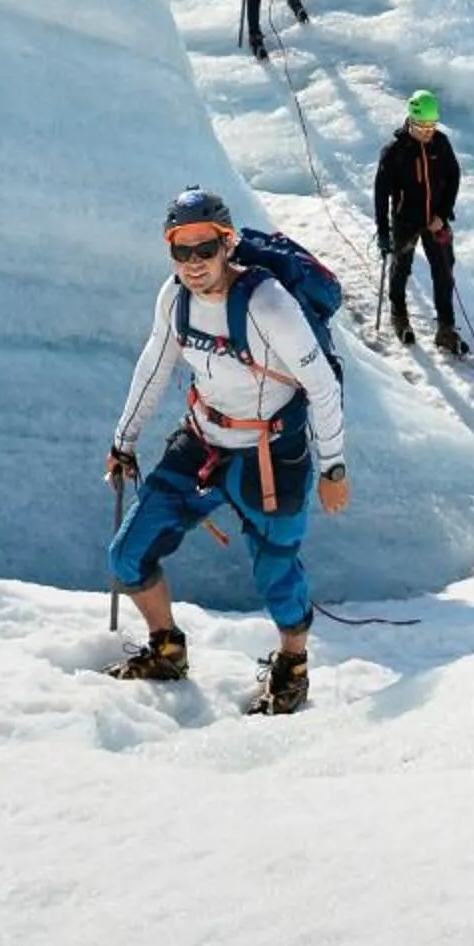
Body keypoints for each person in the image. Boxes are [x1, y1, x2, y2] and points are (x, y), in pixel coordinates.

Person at [106, 188, 350, 714]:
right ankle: (166, 650)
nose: (193, 262)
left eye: (205, 248)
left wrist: (333, 468)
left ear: (227, 243)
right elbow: (154, 366)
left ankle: (292, 669)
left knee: (277, 571)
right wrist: (123, 442)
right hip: (201, 443)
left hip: (271, 454)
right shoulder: (175, 298)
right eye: (182, 249)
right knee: (127, 555)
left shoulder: (269, 305)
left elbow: (323, 386)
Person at [374, 89, 465, 355]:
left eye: (432, 125)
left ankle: (446, 328)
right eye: (423, 126)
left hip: (435, 220)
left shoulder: (441, 144)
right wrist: (383, 231)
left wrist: (443, 214)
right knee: (401, 268)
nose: (428, 132)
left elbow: (453, 177)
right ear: (411, 121)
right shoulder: (394, 152)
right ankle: (399, 314)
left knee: (444, 272)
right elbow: (381, 194)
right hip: (405, 220)